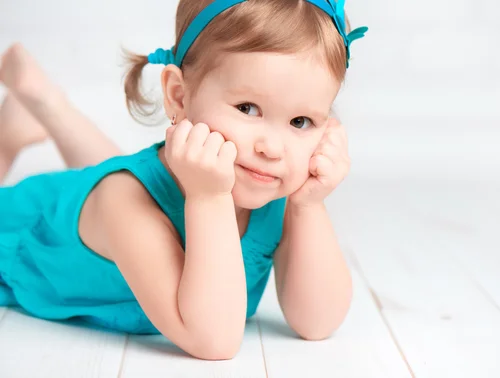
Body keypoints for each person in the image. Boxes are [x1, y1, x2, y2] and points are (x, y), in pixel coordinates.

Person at [0, 0, 367, 360]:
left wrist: (308, 205)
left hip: (105, 202)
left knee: (114, 174)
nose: (273, 148)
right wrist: (209, 198)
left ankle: (46, 104)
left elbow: (317, 322)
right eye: (247, 108)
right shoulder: (123, 200)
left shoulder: (273, 188)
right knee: (121, 181)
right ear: (178, 95)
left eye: (301, 122)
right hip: (29, 229)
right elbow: (214, 340)